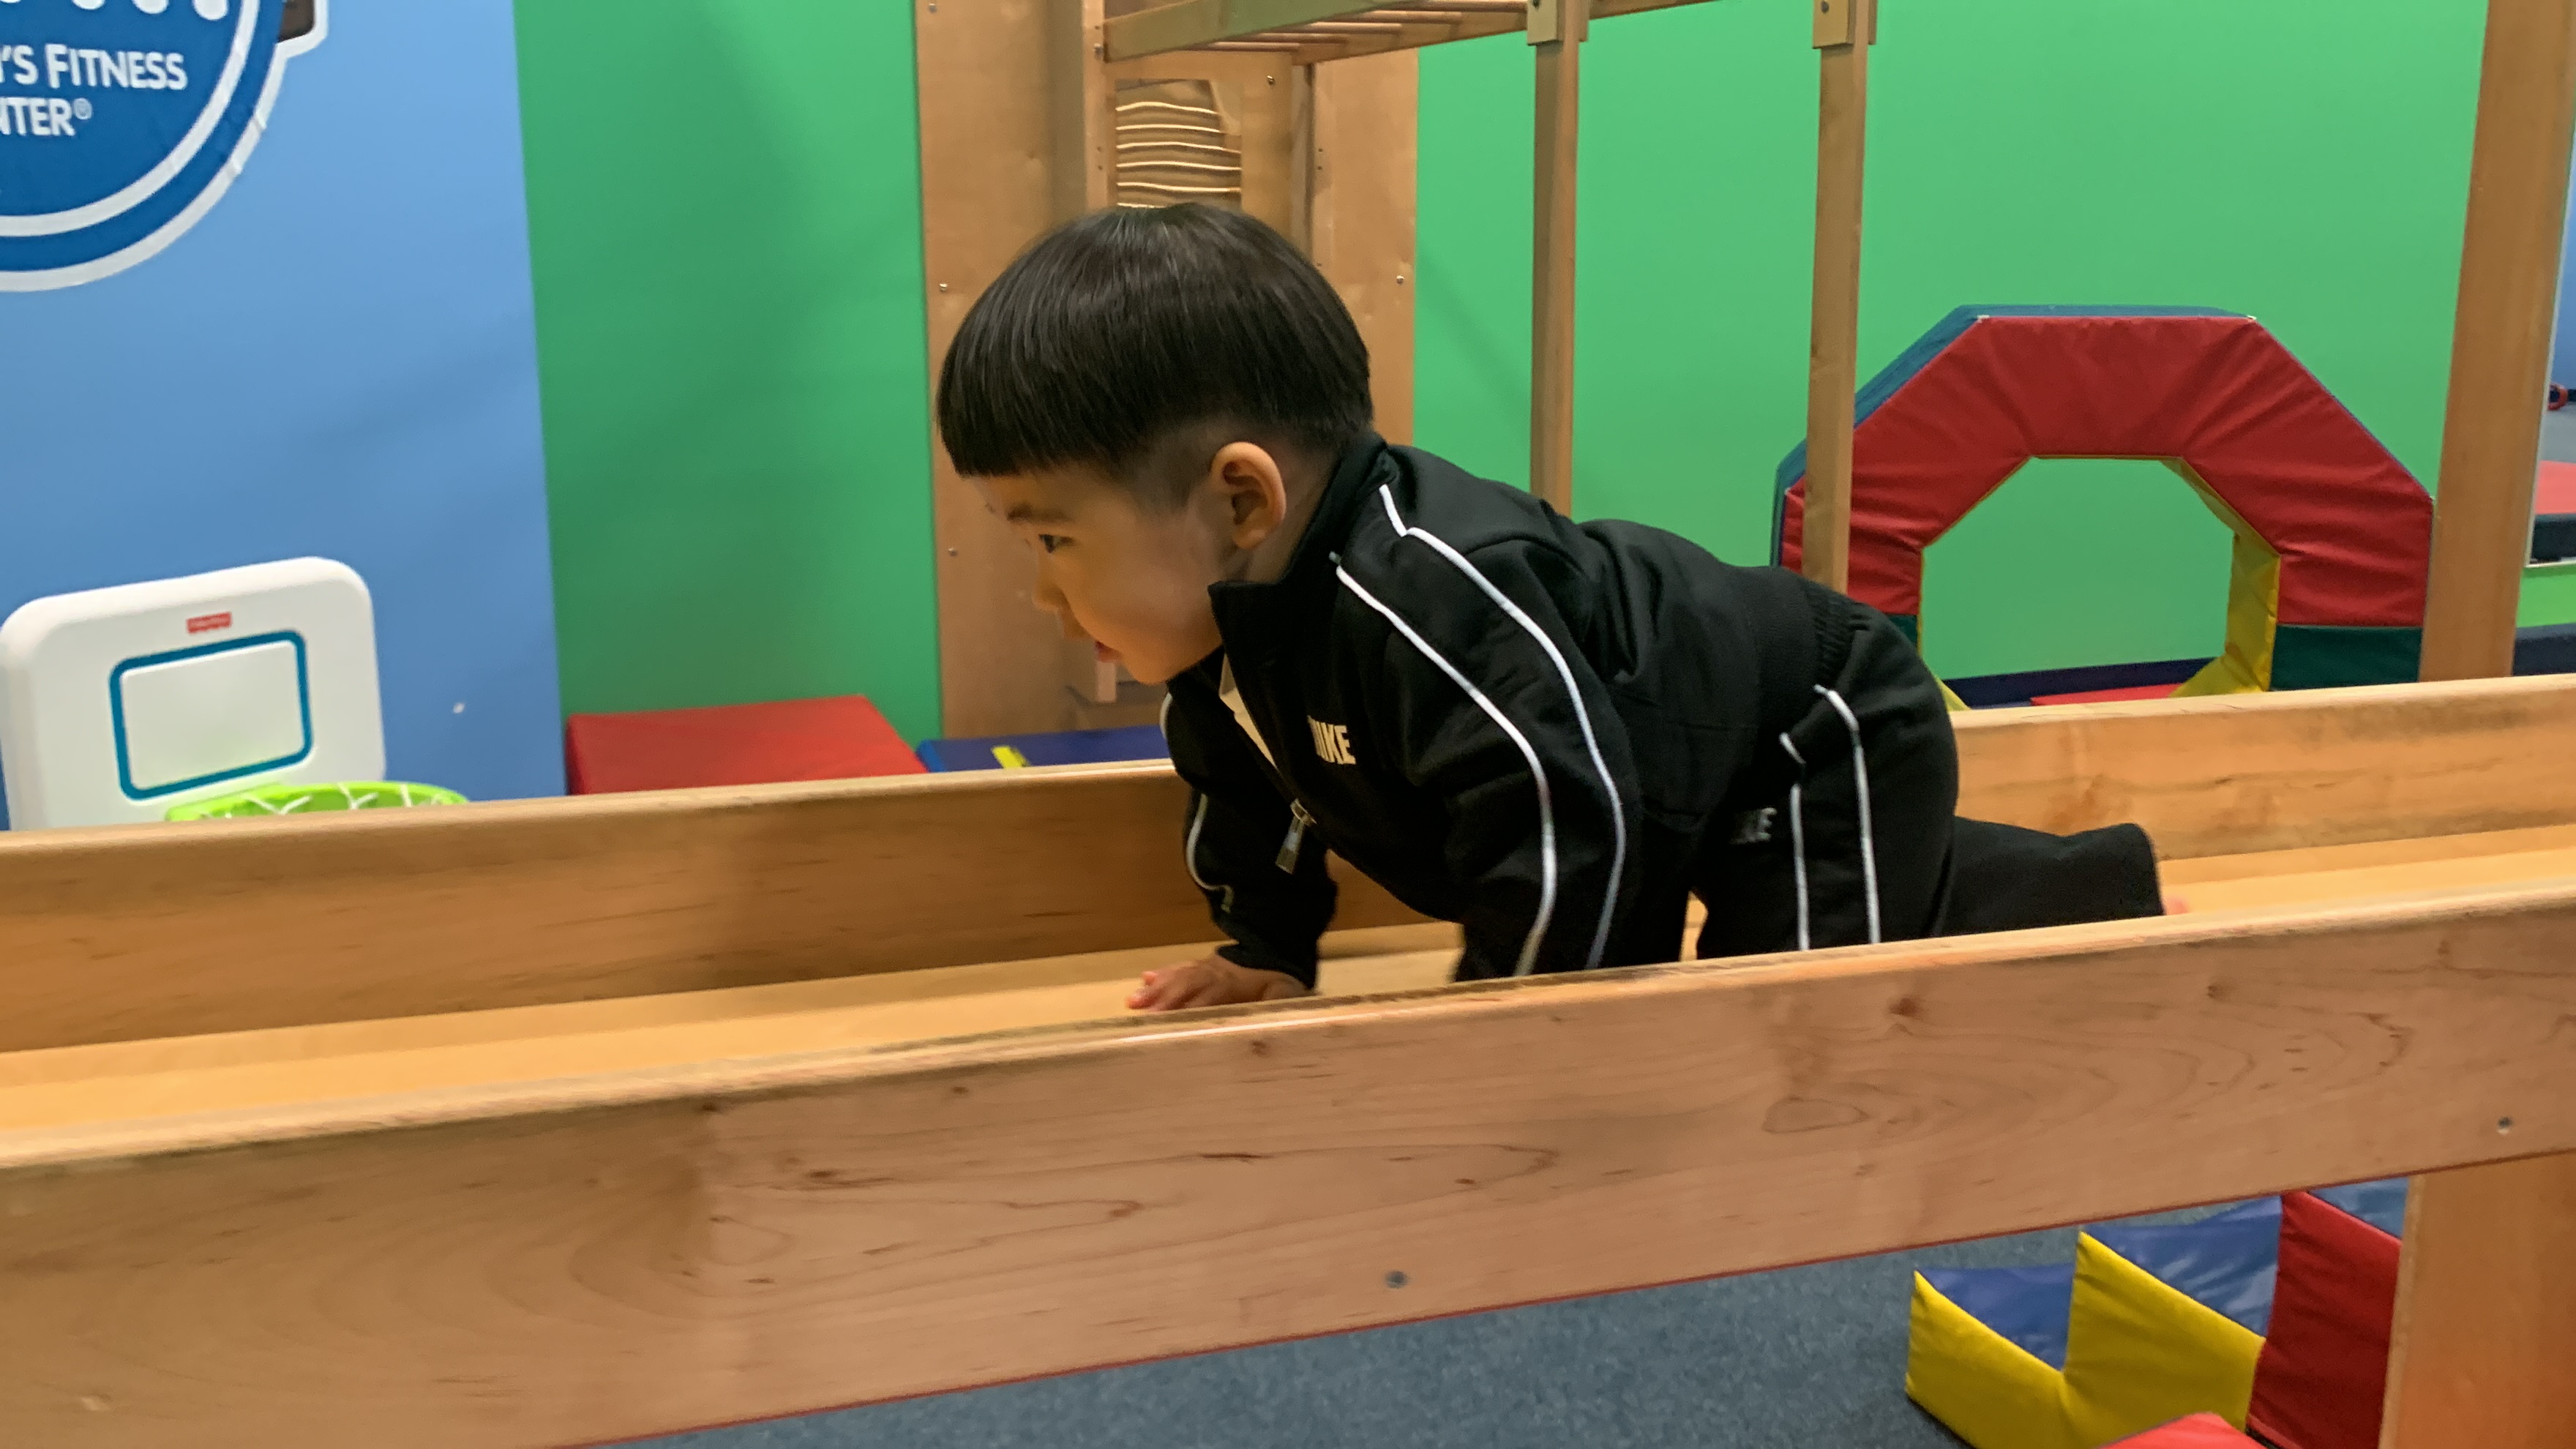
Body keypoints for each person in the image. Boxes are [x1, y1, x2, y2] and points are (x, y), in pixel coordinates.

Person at [934, 204, 2166, 1011]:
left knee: (1772, 1030)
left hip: (1808, 726)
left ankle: (2054, 897)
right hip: (1660, 767)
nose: (1043, 591)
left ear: (1241, 500)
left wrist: (1504, 1028)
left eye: (1053, 540)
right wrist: (1269, 952)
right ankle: (2001, 880)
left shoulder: (1430, 598)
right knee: (1761, 947)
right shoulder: (1223, 650)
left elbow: (1566, 827)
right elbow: (1252, 804)